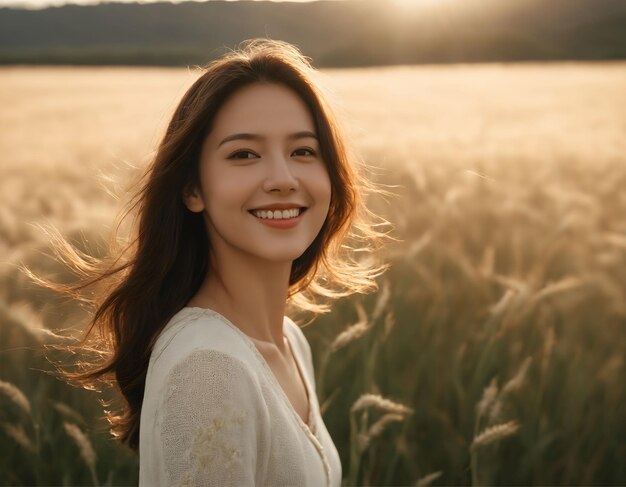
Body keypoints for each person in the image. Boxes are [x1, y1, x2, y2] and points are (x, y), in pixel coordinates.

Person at [43, 38, 387, 486]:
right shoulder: (209, 368)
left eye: (303, 151)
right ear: (192, 189)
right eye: (244, 154)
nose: (282, 179)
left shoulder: (289, 342)